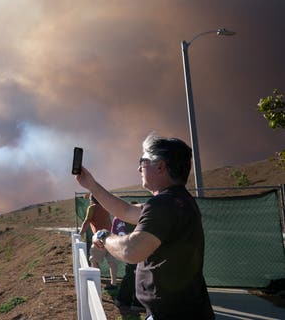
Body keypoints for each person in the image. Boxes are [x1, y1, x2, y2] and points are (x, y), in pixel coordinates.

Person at [75, 133, 214, 319]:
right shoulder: (178, 200)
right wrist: (91, 185)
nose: (139, 167)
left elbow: (131, 251)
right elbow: (125, 211)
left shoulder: (164, 204)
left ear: (160, 166)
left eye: (143, 160)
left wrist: (103, 237)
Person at [78, 195, 118, 290]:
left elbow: (87, 221)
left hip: (100, 236)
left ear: (92, 200)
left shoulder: (92, 207)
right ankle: (114, 284)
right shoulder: (105, 206)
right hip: (111, 236)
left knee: (94, 260)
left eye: (89, 200)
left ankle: (96, 284)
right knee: (112, 262)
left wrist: (80, 234)